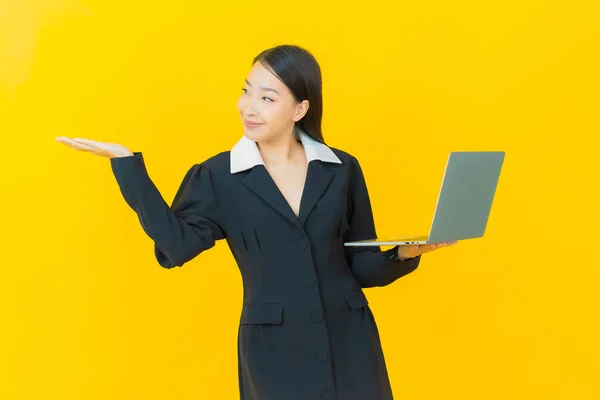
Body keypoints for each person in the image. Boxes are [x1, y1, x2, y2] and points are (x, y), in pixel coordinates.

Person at [56, 44, 455, 400]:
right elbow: (176, 246)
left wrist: (406, 251)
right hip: (274, 350)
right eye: (246, 91)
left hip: (350, 341)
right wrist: (128, 167)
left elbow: (361, 267)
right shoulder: (219, 176)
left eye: (267, 97)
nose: (249, 107)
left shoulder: (341, 168)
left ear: (300, 109)